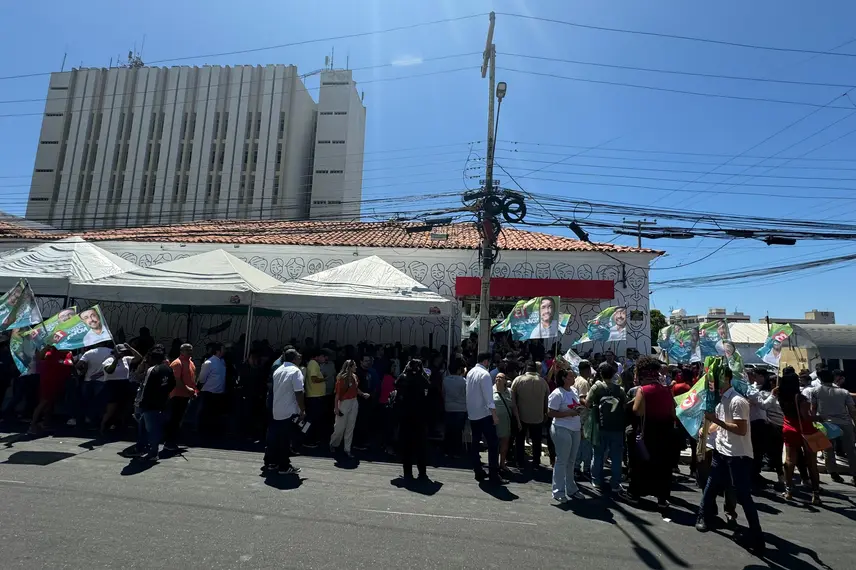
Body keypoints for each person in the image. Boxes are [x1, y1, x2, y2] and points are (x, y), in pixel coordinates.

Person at [696, 366, 765, 554]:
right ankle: (702, 515)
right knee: (711, 485)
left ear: (727, 379)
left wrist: (715, 421)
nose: (712, 382)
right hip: (721, 451)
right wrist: (707, 430)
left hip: (738, 455)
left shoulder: (737, 401)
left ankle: (757, 535)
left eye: (716, 378)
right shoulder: (720, 401)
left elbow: (740, 429)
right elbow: (720, 427)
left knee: (743, 494)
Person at [630, 356, 677, 509]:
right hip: (666, 433)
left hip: (648, 432)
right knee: (663, 468)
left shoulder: (642, 390)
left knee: (641, 465)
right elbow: (673, 412)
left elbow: (637, 411)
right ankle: (662, 499)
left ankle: (636, 495)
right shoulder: (667, 391)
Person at [778, 371, 822, 504]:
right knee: (812, 463)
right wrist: (820, 417)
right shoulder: (800, 398)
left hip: (788, 428)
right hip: (806, 430)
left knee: (789, 461)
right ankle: (816, 493)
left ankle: (789, 490)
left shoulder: (781, 396)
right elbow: (806, 417)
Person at [262, 349, 304, 475]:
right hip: (289, 410)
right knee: (286, 440)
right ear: (294, 359)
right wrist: (302, 410)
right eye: (298, 356)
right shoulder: (296, 371)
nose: (300, 357)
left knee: (277, 438)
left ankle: (273, 463)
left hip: (277, 409)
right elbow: (299, 392)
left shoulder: (278, 370)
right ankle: (284, 466)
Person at [810, 369, 856, 485]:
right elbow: (852, 410)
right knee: (850, 450)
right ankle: (855, 474)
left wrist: (813, 422)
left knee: (828, 449)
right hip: (845, 423)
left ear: (820, 379)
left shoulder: (815, 391)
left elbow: (813, 409)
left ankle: (833, 473)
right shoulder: (844, 392)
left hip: (826, 423)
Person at [587, 362, 627, 494]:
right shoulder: (619, 389)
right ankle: (615, 483)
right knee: (616, 457)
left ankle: (596, 481)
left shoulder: (596, 387)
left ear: (600, 374)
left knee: (598, 454)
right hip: (617, 427)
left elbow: (587, 402)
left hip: (600, 426)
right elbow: (626, 404)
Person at [131, 345, 176, 461]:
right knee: (144, 426)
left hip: (149, 404)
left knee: (151, 429)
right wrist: (163, 394)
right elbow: (172, 384)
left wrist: (140, 403)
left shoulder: (152, 370)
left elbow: (146, 389)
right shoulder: (168, 368)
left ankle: (153, 453)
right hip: (161, 402)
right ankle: (141, 447)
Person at [466, 352, 503, 484]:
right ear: (486, 361)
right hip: (484, 414)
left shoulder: (470, 372)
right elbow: (489, 398)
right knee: (493, 444)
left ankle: (478, 470)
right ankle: (494, 474)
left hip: (473, 414)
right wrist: (494, 415)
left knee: (475, 443)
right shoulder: (485, 375)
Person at [548, 366, 585, 502]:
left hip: (575, 428)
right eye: (570, 376)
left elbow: (575, 407)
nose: (573, 378)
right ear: (563, 378)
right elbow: (550, 412)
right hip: (561, 428)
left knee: (571, 460)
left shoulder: (574, 391)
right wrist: (568, 413)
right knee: (562, 460)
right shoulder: (557, 393)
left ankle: (571, 488)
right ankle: (558, 491)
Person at [395, 359, 432, 481]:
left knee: (407, 446)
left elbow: (396, 390)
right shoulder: (423, 380)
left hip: (405, 417)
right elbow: (430, 393)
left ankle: (407, 473)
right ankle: (422, 472)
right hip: (420, 417)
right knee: (421, 446)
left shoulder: (402, 378)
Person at [511, 360, 549, 470]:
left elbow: (513, 402)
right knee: (537, 441)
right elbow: (546, 401)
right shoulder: (543, 382)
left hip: (521, 416)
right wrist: (545, 413)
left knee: (520, 440)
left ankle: (520, 462)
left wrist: (516, 416)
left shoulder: (518, 380)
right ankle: (536, 462)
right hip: (538, 417)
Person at [29, 345, 73, 434]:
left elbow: (71, 366)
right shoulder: (49, 353)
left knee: (50, 403)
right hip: (49, 381)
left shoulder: (67, 353)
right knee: (44, 402)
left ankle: (45, 424)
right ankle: (33, 425)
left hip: (58, 381)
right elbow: (39, 357)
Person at [101, 343, 142, 435]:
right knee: (111, 408)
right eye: (120, 352)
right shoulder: (108, 360)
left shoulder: (126, 359)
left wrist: (130, 348)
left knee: (123, 408)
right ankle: (103, 427)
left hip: (124, 384)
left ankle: (119, 427)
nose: (122, 354)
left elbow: (139, 358)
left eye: (123, 352)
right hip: (112, 385)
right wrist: (116, 359)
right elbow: (109, 370)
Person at [330, 360, 369, 457]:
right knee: (340, 426)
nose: (356, 368)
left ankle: (347, 449)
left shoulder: (355, 377)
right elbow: (338, 394)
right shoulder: (342, 379)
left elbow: (356, 389)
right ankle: (333, 443)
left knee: (350, 427)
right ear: (350, 367)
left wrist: (362, 394)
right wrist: (336, 408)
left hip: (354, 401)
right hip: (344, 403)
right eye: (354, 366)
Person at [165, 343, 196, 450]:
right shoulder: (177, 363)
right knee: (174, 420)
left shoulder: (190, 362)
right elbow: (176, 381)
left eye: (191, 349)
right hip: (177, 396)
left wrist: (193, 391)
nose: (190, 352)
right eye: (187, 350)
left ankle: (174, 440)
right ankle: (169, 442)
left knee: (179, 419)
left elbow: (191, 379)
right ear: (181, 351)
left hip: (186, 396)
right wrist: (188, 390)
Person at [76, 341, 115, 427]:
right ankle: (98, 420)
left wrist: (83, 371)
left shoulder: (89, 352)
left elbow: (78, 365)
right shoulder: (111, 352)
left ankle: (87, 419)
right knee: (100, 402)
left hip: (88, 380)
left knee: (86, 401)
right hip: (102, 380)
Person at [198, 342, 227, 435]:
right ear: (218, 351)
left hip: (219, 393)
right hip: (209, 393)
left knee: (215, 415)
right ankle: (202, 432)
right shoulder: (209, 362)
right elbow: (202, 378)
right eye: (223, 349)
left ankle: (213, 432)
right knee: (206, 413)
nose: (225, 351)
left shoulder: (222, 361)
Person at [442, 358, 468, 458]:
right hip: (461, 408)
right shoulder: (464, 381)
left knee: (448, 430)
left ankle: (447, 451)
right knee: (458, 432)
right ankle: (456, 452)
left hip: (448, 407)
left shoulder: (445, 380)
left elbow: (443, 393)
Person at [303, 349, 329, 448]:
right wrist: (324, 379)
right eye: (323, 356)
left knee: (314, 419)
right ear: (317, 356)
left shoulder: (313, 364)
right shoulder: (313, 363)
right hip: (314, 397)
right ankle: (306, 438)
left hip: (315, 396)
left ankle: (310, 438)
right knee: (311, 420)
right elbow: (314, 379)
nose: (324, 358)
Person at [353, 354, 377, 451]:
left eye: (369, 361)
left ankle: (364, 440)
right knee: (360, 421)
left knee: (366, 421)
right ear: (361, 362)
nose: (368, 362)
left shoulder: (370, 372)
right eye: (366, 361)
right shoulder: (358, 373)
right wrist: (363, 394)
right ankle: (357, 443)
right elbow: (355, 387)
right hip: (360, 400)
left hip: (368, 400)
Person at [573, 364, 593, 478]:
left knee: (579, 443)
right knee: (585, 444)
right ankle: (584, 468)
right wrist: (592, 406)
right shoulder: (584, 383)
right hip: (584, 416)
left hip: (578, 415)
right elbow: (582, 399)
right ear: (587, 370)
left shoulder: (577, 380)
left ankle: (577, 466)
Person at [494, 372, 514, 473]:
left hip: (506, 422)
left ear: (505, 380)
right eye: (497, 377)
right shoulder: (490, 390)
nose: (498, 379)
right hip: (494, 422)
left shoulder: (510, 392)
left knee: (505, 443)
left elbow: (514, 407)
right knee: (494, 444)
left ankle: (502, 463)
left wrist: (518, 421)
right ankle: (494, 464)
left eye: (501, 377)